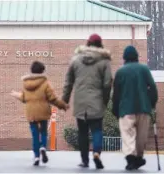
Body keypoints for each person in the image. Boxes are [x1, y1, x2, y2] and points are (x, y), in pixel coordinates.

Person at [62, 34, 112, 169]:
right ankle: (96, 153)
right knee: (97, 130)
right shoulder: (104, 61)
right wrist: (105, 100)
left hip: (80, 102)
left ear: (87, 44)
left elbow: (68, 82)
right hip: (96, 101)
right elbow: (107, 84)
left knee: (82, 132)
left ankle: (84, 160)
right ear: (100, 44)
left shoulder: (76, 60)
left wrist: (64, 100)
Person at [10, 61, 69, 166]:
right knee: (43, 132)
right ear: (42, 71)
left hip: (31, 112)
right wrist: (62, 105)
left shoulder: (26, 83)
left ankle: (37, 156)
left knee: (35, 134)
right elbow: (52, 98)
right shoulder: (45, 83)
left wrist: (16, 94)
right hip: (43, 111)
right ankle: (43, 147)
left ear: (31, 71)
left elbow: (24, 98)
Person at [112, 45, 158, 170]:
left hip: (126, 109)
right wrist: (152, 103)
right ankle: (138, 157)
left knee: (128, 134)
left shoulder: (121, 72)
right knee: (141, 136)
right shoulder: (144, 69)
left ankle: (131, 158)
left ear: (124, 58)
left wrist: (115, 109)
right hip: (143, 108)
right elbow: (153, 88)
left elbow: (116, 93)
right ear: (137, 57)